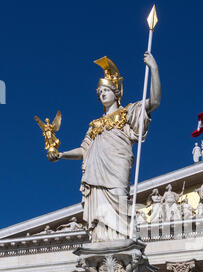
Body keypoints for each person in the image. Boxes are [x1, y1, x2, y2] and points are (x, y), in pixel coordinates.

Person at [53, 53, 161, 242]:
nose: (102, 94)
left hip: (116, 170)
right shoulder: (94, 125)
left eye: (106, 90)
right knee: (99, 223)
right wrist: (62, 154)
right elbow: (84, 150)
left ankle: (122, 244)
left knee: (120, 201)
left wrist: (154, 68)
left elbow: (154, 102)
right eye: (99, 92)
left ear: (116, 93)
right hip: (96, 175)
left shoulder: (128, 113)